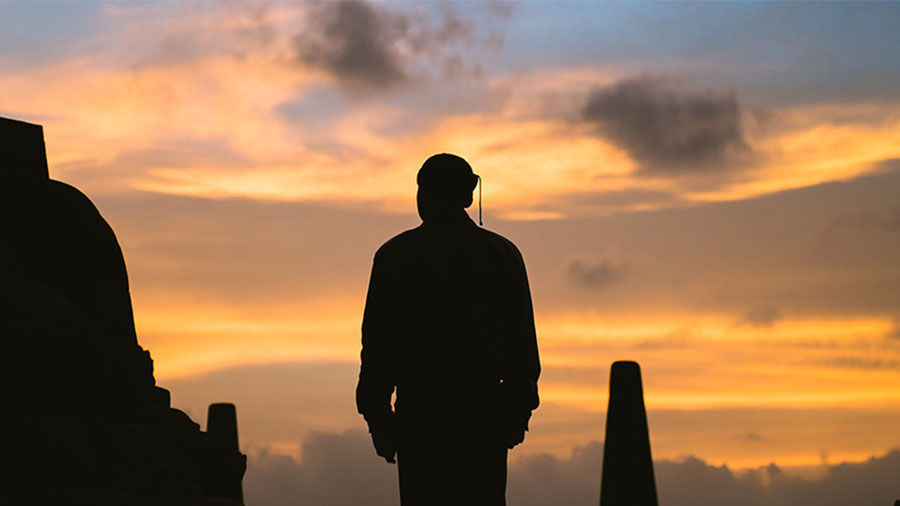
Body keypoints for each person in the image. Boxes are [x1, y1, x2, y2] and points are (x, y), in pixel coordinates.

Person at [356, 153, 540, 505]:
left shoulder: (396, 255)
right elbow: (522, 347)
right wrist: (517, 412)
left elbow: (378, 347)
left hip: (420, 418)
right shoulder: (502, 254)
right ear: (469, 195)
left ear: (424, 194)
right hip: (484, 419)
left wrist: (379, 418)